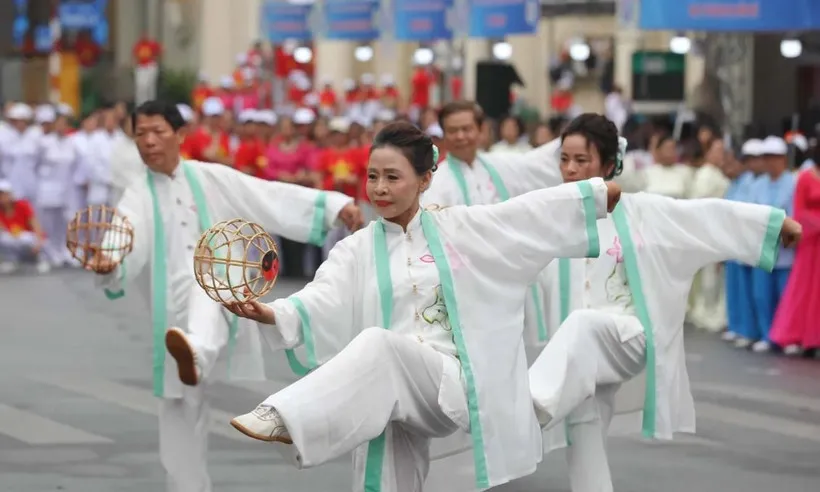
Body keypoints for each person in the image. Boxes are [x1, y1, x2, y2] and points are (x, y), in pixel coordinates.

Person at [220, 121, 621, 492]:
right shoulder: (355, 248)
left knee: (379, 344)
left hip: (449, 384)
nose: (379, 188)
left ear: (425, 179)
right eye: (373, 176)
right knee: (381, 472)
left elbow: (524, 217)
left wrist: (593, 196)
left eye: (393, 177)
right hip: (389, 385)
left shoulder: (459, 228)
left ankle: (287, 416)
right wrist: (272, 313)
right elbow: (320, 298)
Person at [80, 100, 363, 492]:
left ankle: (197, 350)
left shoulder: (208, 177)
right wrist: (108, 261)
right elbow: (122, 235)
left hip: (220, 298)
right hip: (170, 319)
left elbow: (265, 195)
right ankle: (187, 485)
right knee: (180, 411)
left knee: (208, 281)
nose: (148, 141)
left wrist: (333, 205)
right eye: (140, 134)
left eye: (157, 132)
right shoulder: (137, 195)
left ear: (179, 136)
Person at [528, 113, 801, 492]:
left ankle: (526, 411)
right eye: (564, 160)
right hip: (581, 353)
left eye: (581, 160)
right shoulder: (546, 215)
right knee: (582, 436)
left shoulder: (640, 211)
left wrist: (772, 224)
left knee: (583, 324)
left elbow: (703, 217)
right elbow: (495, 230)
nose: (570, 169)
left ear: (608, 165)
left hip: (628, 335)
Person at [746, 136, 796, 352]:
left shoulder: (794, 182)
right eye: (766, 157)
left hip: (786, 250)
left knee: (786, 296)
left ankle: (788, 338)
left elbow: (795, 214)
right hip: (763, 249)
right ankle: (767, 335)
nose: (770, 162)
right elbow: (750, 213)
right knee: (762, 295)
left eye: (775, 157)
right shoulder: (757, 185)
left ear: (784, 159)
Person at [770, 145, 820, 357]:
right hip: (811, 241)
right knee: (805, 287)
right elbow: (798, 209)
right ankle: (795, 334)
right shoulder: (806, 177)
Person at [721, 139, 764, 343]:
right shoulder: (736, 182)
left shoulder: (751, 182)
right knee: (735, 289)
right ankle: (737, 325)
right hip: (733, 242)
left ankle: (749, 330)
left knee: (750, 292)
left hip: (747, 243)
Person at [0, 180, 48, 274]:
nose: (2, 197)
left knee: (25, 239)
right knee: (4, 239)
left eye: (4, 194)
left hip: (28, 237)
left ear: (10, 194)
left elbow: (35, 224)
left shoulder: (23, 205)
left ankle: (39, 260)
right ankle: (12, 261)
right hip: (12, 237)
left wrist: (39, 241)